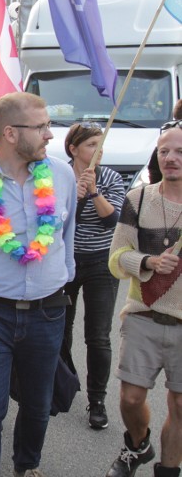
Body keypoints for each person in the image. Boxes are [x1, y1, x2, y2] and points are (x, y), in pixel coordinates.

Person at [0, 92, 77, 477]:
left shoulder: (62, 175)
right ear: (9, 133)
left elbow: (65, 235)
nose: (49, 135)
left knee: (38, 405)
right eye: (40, 127)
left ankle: (26, 465)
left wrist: (57, 275)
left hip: (48, 311)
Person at [105, 121, 182, 477]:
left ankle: (168, 470)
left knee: (180, 406)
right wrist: (148, 261)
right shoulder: (138, 199)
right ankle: (138, 445)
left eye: (180, 151)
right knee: (130, 399)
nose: (171, 158)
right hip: (143, 316)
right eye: (165, 150)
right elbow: (116, 257)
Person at [61, 123, 125, 431]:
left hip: (101, 261)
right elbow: (57, 219)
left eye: (101, 145)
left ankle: (97, 400)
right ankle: (65, 381)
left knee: (98, 335)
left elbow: (112, 219)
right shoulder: (60, 176)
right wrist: (76, 194)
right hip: (67, 260)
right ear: (74, 149)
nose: (98, 151)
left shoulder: (111, 176)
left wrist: (94, 191)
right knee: (61, 326)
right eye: (91, 145)